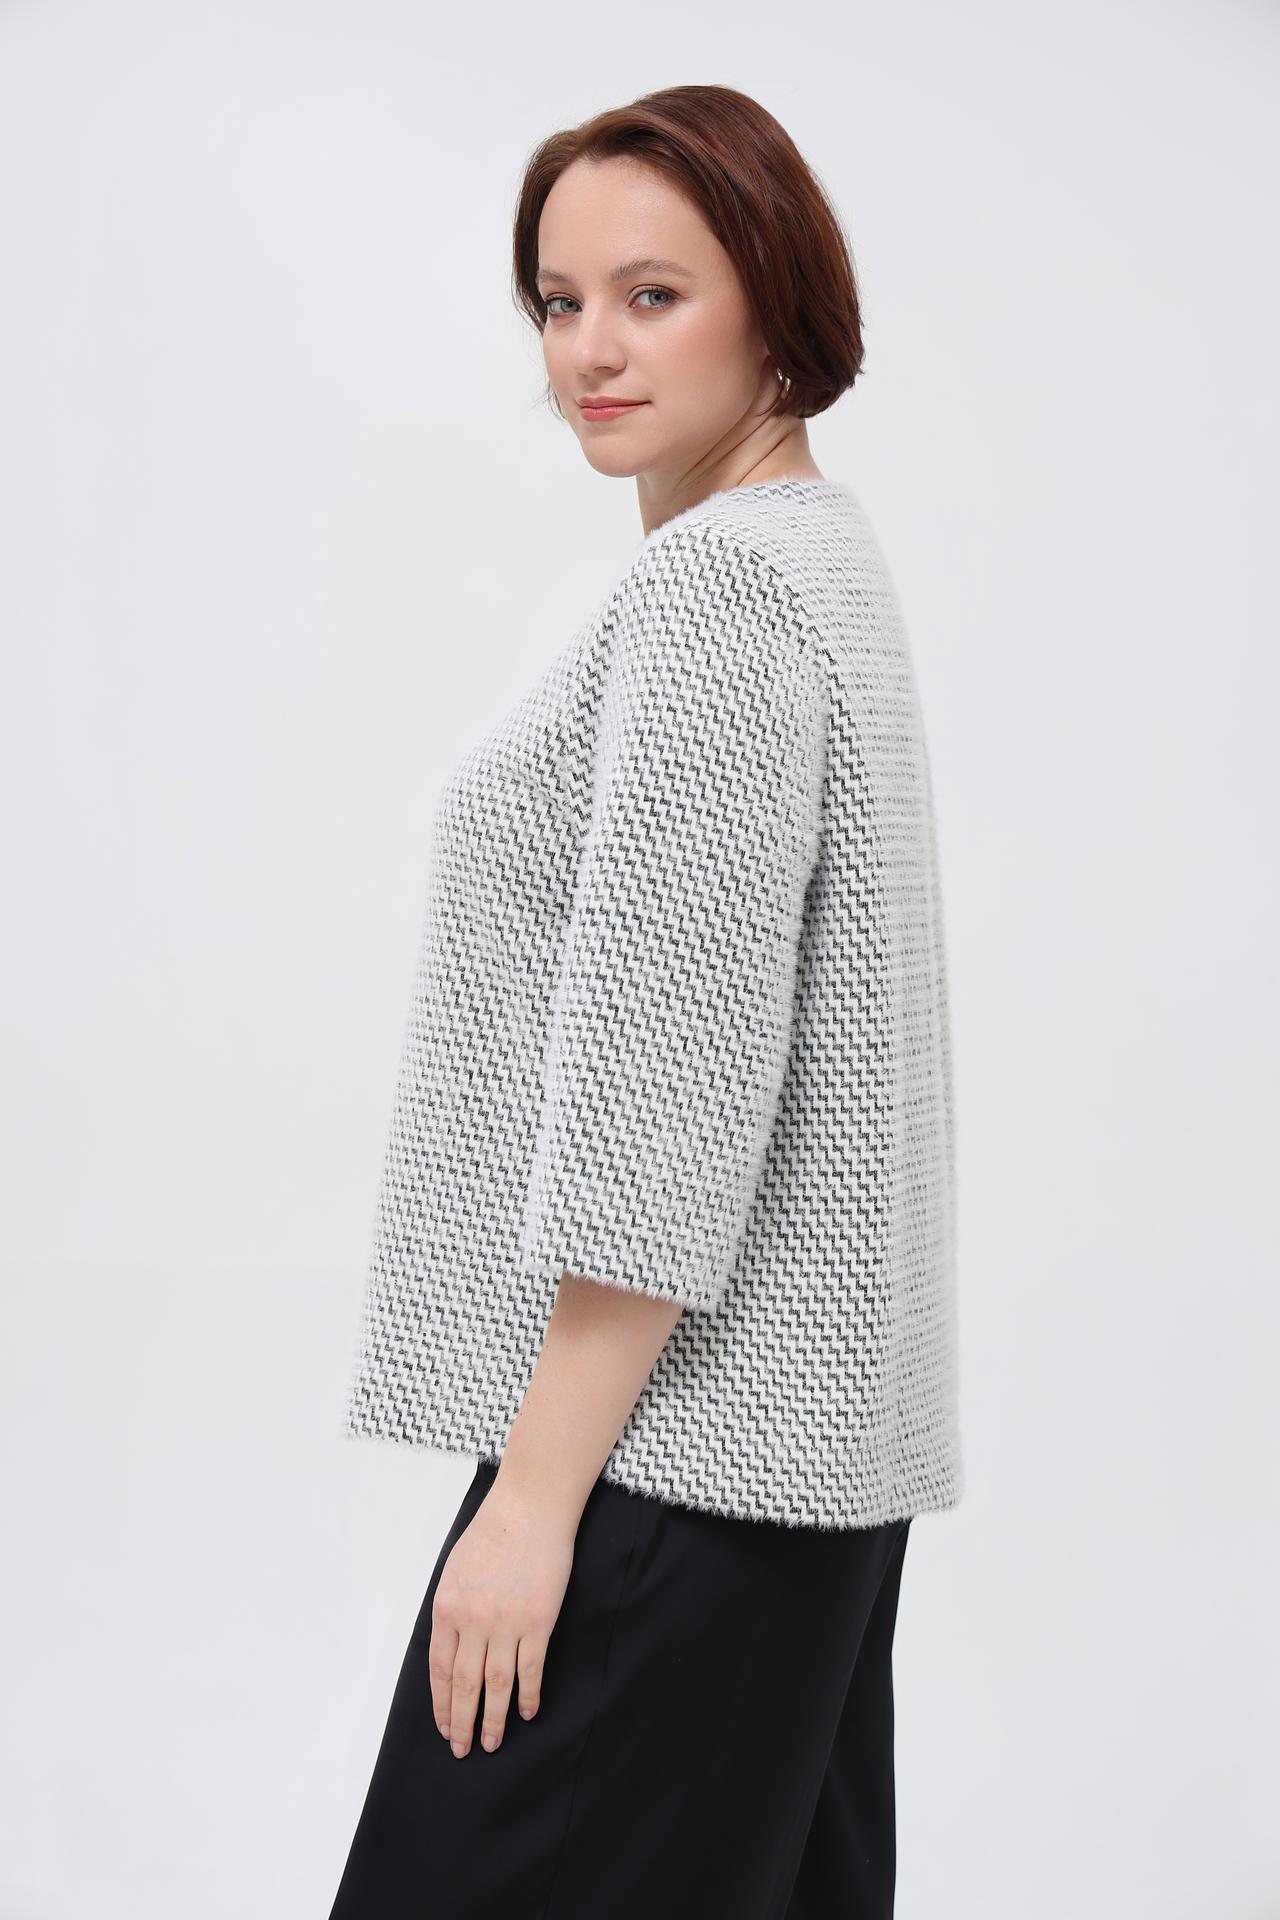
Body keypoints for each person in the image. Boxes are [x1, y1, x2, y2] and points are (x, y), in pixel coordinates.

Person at [328, 81, 962, 1920]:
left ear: (776, 298)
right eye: (557, 301)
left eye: (652, 295)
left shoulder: (720, 603)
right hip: (806, 1481)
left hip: (672, 1466)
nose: (588, 351)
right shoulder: (822, 559)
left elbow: (667, 1107)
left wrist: (531, 1503)